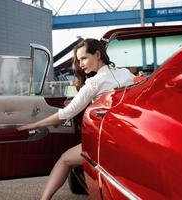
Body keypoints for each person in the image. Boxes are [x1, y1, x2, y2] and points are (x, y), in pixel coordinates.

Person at [17, 38, 135, 200]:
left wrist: (34, 124)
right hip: (131, 135)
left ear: (98, 54)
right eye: (79, 60)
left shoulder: (93, 83)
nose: (81, 64)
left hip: (109, 141)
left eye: (84, 58)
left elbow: (66, 114)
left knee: (64, 160)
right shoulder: (126, 73)